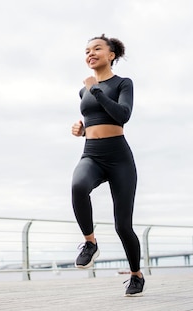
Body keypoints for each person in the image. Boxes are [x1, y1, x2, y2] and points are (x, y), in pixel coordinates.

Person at [70, 34, 144, 296]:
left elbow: (123, 115)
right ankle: (89, 243)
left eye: (97, 49)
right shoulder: (84, 90)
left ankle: (136, 275)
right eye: (87, 50)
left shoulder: (123, 83)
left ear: (111, 54)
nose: (90, 53)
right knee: (78, 186)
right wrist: (81, 128)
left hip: (119, 157)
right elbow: (94, 117)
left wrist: (96, 89)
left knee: (123, 225)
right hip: (92, 153)